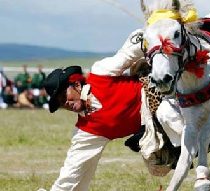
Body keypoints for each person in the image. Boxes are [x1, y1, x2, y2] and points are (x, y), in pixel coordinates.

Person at [38, 29, 184, 191]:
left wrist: (153, 35)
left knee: (169, 116)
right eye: (60, 103)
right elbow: (72, 170)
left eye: (63, 96)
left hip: (161, 94)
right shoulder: (86, 131)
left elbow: (129, 53)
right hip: (150, 129)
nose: (65, 103)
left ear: (77, 84)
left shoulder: (100, 73)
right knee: (157, 166)